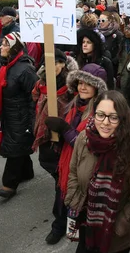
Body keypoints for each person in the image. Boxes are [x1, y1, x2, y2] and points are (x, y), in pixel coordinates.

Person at [65, 91, 130, 253]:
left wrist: (119, 225)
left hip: (114, 237)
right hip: (86, 224)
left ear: (122, 119)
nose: (105, 122)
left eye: (113, 117)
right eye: (100, 115)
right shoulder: (84, 139)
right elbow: (74, 173)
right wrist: (74, 200)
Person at [31, 49, 78, 245]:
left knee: (63, 181)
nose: (54, 67)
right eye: (50, 63)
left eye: (58, 62)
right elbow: (34, 100)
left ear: (64, 64)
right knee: (53, 172)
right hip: (47, 139)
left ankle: (60, 222)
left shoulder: (72, 85)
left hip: (65, 141)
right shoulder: (41, 83)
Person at [44, 64, 108, 205]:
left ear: (97, 88)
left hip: (85, 171)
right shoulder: (73, 106)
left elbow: (87, 144)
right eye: (80, 83)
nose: (82, 87)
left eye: (88, 84)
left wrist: (64, 129)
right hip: (67, 166)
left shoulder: (100, 113)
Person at [0, 32, 39, 199]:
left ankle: (9, 184)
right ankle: (26, 172)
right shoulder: (7, 65)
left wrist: (33, 121)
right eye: (2, 43)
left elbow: (34, 96)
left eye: (5, 44)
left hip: (21, 117)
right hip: (10, 114)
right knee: (18, 146)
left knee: (14, 148)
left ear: (14, 48)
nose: (1, 47)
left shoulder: (25, 69)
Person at [98, 11, 124, 75]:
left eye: (103, 20)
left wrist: (112, 62)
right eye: (99, 21)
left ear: (109, 21)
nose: (100, 23)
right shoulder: (97, 33)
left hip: (113, 67)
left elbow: (121, 51)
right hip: (100, 66)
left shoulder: (118, 34)